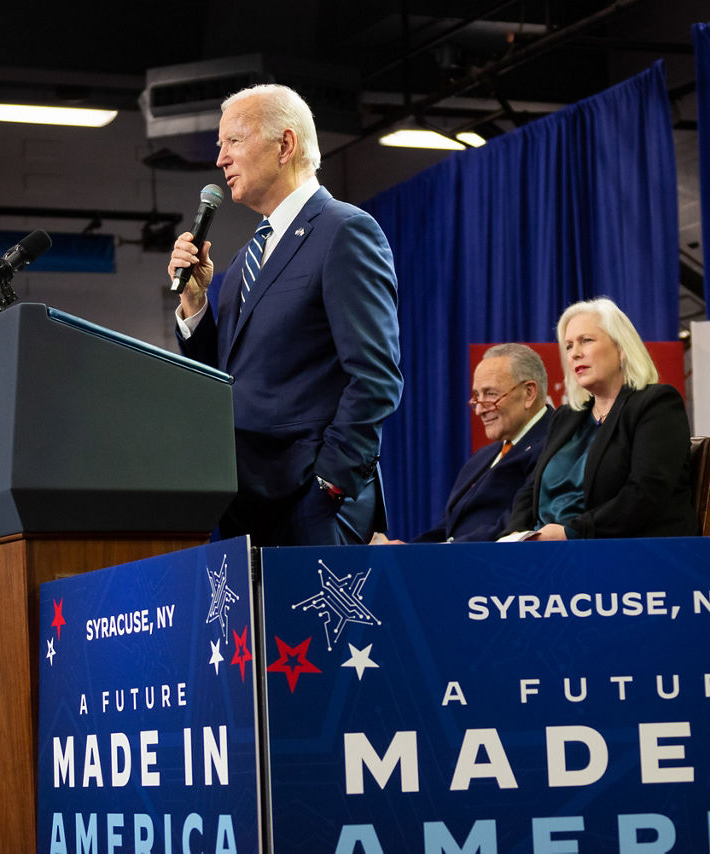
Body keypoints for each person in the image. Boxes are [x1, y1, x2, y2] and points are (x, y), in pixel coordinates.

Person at [168, 83, 403, 546]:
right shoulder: (237, 267)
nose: (221, 159)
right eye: (220, 145)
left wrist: (330, 484)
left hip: (314, 504)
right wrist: (195, 306)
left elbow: (375, 378)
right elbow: (221, 378)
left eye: (233, 141)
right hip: (245, 505)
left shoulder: (345, 231)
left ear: (286, 144)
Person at [504, 298, 697, 539]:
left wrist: (572, 532)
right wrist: (515, 536)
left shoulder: (656, 404)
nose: (575, 353)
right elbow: (530, 490)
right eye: (568, 346)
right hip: (548, 553)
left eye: (586, 341)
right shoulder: (566, 417)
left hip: (622, 553)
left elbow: (645, 495)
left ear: (621, 348)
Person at [401, 344, 553, 543]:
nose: (479, 410)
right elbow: (448, 528)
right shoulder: (481, 457)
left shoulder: (554, 445)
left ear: (529, 393)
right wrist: (406, 552)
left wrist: (446, 552)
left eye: (490, 395)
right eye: (476, 396)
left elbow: (516, 523)